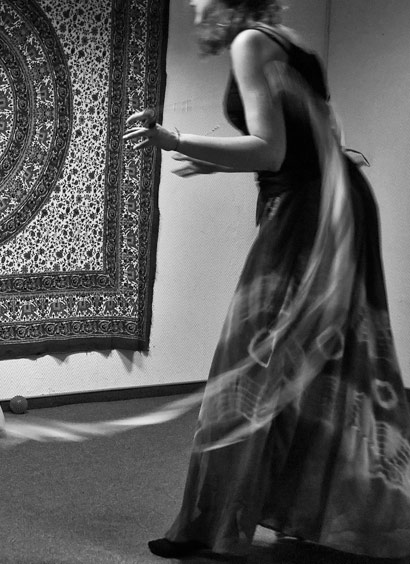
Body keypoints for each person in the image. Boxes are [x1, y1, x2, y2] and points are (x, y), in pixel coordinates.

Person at [124, 0, 410, 560]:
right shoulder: (286, 38)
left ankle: (210, 527)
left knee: (250, 358)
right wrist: (215, 160)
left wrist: (175, 140)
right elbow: (306, 139)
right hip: (335, 203)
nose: (193, 2)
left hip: (309, 214)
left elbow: (271, 149)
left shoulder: (250, 43)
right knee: (320, 360)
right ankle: (318, 515)